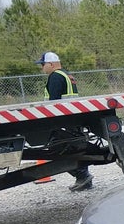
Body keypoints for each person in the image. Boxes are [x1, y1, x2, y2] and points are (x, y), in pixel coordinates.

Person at [36, 51, 94, 191]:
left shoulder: (55, 77)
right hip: (73, 118)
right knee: (76, 148)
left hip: (62, 121)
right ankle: (83, 176)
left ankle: (82, 176)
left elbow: (54, 102)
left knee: (57, 150)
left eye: (43, 64)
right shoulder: (67, 75)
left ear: (51, 64)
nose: (41, 68)